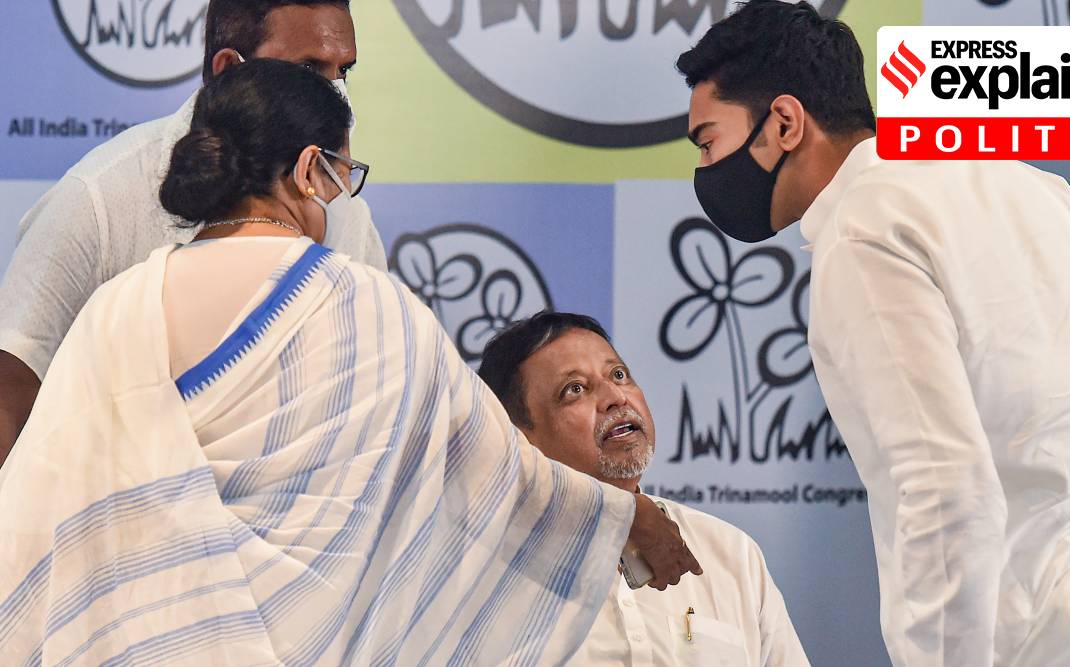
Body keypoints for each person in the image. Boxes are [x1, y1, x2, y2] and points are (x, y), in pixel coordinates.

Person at [0, 59, 701, 665]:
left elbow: (35, 510)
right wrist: (622, 520)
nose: (338, 199)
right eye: (340, 174)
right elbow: (495, 471)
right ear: (308, 169)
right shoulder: (369, 304)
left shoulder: (117, 309)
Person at [677, 1, 1070, 665]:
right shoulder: (1028, 183)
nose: (706, 168)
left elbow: (946, 487)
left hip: (1053, 631)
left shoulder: (865, 231)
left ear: (783, 122)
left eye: (707, 140)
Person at [0, 0, 388, 464]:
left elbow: (379, 392)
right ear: (229, 69)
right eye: (308, 69)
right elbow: (13, 388)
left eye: (343, 71)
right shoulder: (100, 197)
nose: (335, 94)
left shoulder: (344, 209)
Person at [478, 311, 809, 667]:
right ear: (520, 437)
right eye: (574, 389)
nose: (615, 397)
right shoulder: (482, 576)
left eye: (619, 375)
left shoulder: (729, 553)